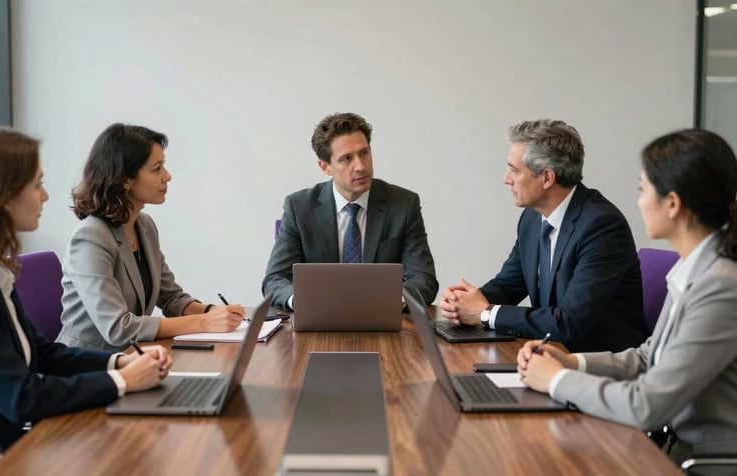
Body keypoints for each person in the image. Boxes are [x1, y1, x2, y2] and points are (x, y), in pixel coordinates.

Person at [517, 128, 737, 464]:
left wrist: (557, 380)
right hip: (667, 445)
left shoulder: (721, 286)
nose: (638, 202)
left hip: (699, 461)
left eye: (643, 189)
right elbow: (649, 358)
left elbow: (646, 405)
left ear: (673, 204)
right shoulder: (695, 270)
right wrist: (570, 362)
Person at [0, 125, 171, 472]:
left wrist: (118, 364)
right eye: (37, 184)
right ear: (1, 196)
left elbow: (43, 353)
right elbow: (22, 396)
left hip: (26, 442)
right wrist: (122, 381)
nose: (45, 197)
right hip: (0, 457)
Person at [439, 119, 647, 352]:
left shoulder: (602, 227)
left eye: (515, 170)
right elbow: (509, 285)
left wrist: (485, 313)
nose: (506, 179)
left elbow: (569, 323)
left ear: (547, 178)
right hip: (551, 354)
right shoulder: (532, 217)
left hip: (598, 366)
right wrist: (465, 303)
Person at [57, 124, 245, 352]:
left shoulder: (144, 226)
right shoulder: (90, 238)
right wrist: (204, 323)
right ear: (125, 179)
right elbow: (118, 327)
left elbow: (172, 298)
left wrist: (212, 311)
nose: (168, 176)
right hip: (87, 364)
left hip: (133, 357)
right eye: (156, 169)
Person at [262, 112, 438, 310]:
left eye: (364, 153)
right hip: (319, 322)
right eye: (346, 158)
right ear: (325, 167)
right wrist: (301, 301)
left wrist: (397, 300)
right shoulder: (299, 207)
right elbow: (274, 279)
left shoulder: (404, 204)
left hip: (383, 322)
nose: (361, 166)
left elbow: (424, 278)